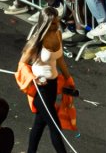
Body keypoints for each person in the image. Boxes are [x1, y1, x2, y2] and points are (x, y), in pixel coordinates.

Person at [17, 13, 72, 153]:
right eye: (53, 23)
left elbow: (60, 60)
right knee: (55, 126)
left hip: (53, 86)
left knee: (39, 124)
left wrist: (68, 79)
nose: (57, 25)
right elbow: (22, 63)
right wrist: (32, 78)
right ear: (45, 24)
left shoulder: (58, 34)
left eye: (57, 22)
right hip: (40, 90)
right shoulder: (36, 42)